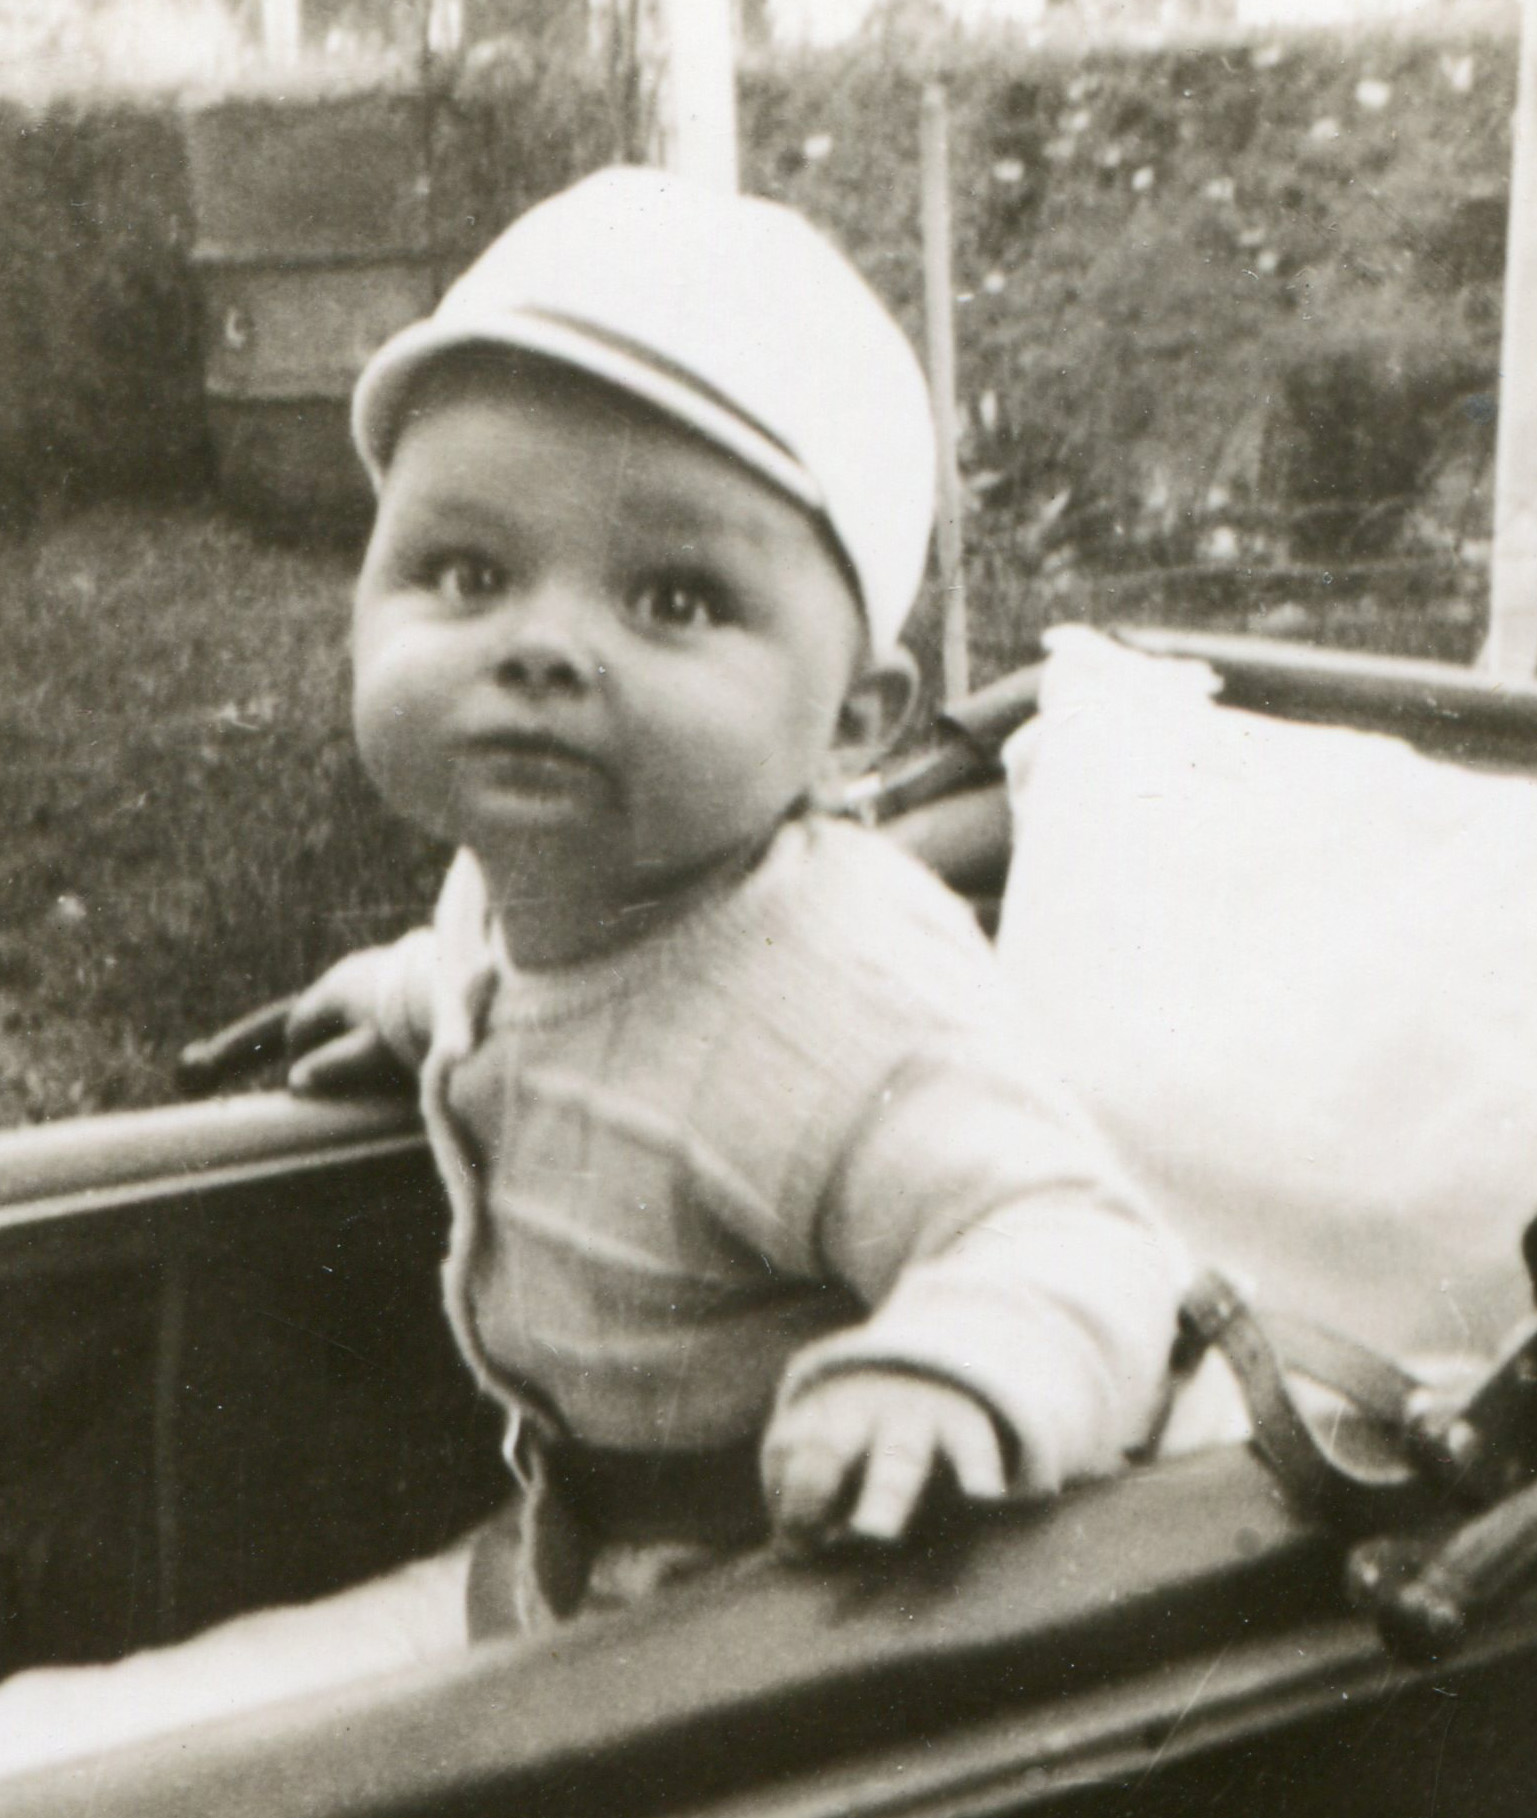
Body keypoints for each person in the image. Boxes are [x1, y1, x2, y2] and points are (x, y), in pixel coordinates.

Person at [0, 167, 1184, 1777]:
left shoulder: (833, 992)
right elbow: (531, 980)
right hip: (577, 1566)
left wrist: (946, 1372)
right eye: (468, 574)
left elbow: (1074, 1235)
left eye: (673, 598)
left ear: (855, 721)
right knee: (74, 1746)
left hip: (798, 1644)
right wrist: (409, 993)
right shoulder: (550, 866)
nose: (543, 646)